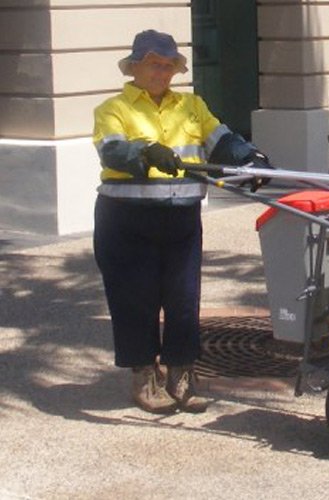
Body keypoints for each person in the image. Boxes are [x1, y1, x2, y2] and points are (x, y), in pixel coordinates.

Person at [92, 29, 272, 414]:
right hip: (126, 221)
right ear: (135, 67)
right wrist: (146, 152)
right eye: (154, 65)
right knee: (135, 299)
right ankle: (144, 376)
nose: (162, 73)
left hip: (180, 218)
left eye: (168, 66)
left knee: (183, 299)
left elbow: (220, 138)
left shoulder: (191, 105)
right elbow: (112, 151)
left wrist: (251, 159)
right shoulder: (113, 109)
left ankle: (182, 374)